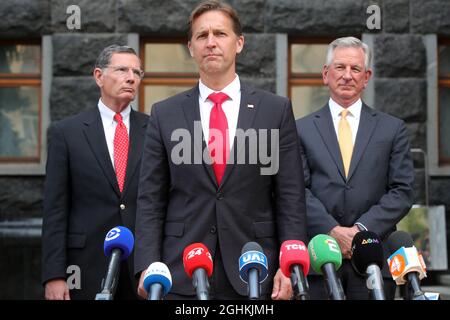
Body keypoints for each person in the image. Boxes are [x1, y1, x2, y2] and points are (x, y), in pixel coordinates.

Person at [135, 0, 306, 300]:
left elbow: (291, 196)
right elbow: (151, 198)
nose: (211, 43)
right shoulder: (165, 113)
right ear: (191, 47)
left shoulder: (275, 110)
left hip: (255, 270)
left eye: (220, 34)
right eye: (202, 36)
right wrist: (148, 265)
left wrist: (290, 265)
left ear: (239, 43)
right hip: (180, 271)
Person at [296, 37, 414, 299]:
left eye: (355, 69)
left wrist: (360, 231)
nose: (347, 76)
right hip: (320, 260)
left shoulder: (392, 129)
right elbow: (296, 190)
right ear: (326, 74)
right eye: (340, 67)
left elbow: (402, 191)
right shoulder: (300, 129)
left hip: (374, 259)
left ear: (367, 76)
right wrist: (333, 230)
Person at [41, 45, 149, 300]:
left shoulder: (154, 130)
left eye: (137, 72)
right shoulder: (66, 133)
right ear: (99, 76)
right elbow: (55, 209)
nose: (131, 77)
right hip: (84, 267)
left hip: (141, 270)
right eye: (122, 69)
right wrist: (54, 275)